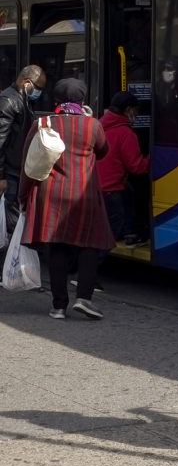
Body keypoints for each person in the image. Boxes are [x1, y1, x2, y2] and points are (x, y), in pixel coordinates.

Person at [19, 78, 114, 320]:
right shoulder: (92, 125)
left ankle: (58, 306)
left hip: (50, 193)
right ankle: (83, 298)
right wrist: (89, 118)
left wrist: (22, 195)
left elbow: (28, 164)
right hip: (84, 193)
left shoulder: (42, 123)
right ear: (82, 100)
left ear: (56, 99)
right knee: (89, 244)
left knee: (57, 246)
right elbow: (103, 152)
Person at [0, 65, 46, 238]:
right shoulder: (9, 101)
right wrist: (1, 177)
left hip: (16, 172)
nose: (40, 92)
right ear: (27, 82)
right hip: (9, 174)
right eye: (39, 87)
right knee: (11, 225)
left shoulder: (23, 99)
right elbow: (1, 141)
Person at [98, 91, 149, 245]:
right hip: (112, 189)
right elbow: (137, 167)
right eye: (136, 111)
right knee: (112, 232)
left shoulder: (99, 125)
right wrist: (154, 159)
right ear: (128, 110)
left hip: (96, 187)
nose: (137, 115)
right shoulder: (126, 133)